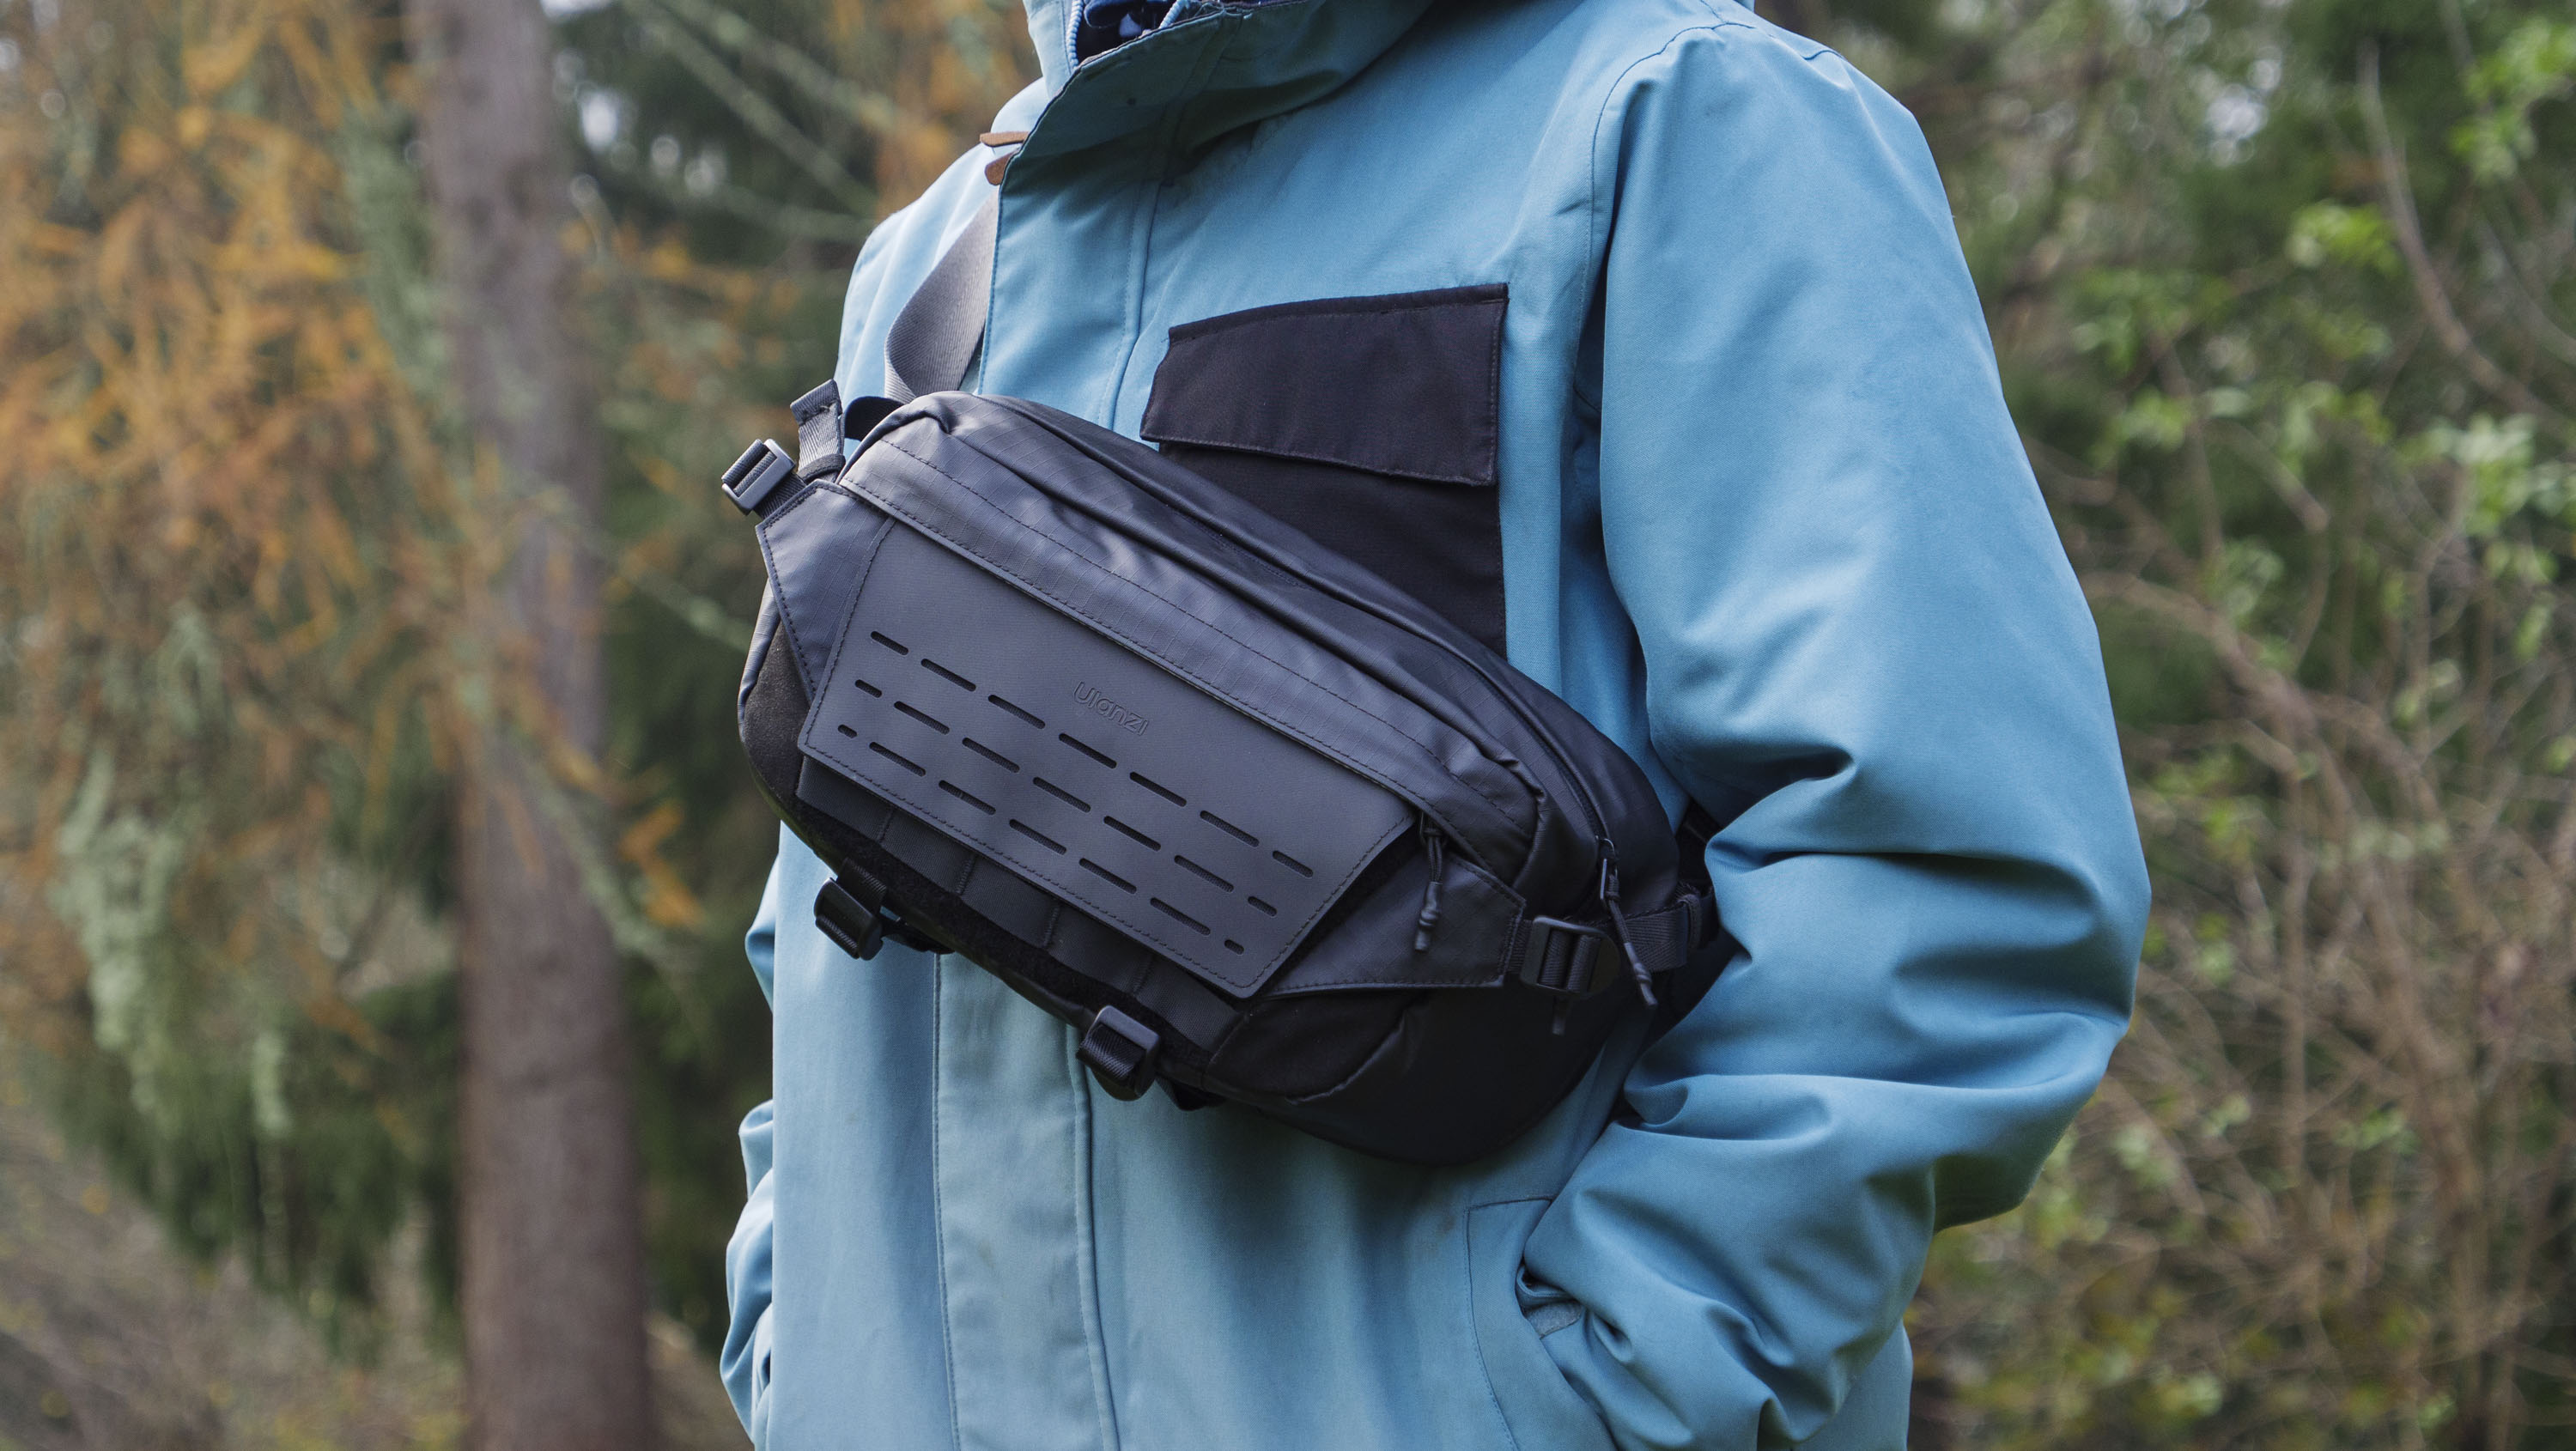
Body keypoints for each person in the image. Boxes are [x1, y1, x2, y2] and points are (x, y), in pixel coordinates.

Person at [720, 2, 2149, 1448]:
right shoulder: (941, 252)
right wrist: (795, 1344)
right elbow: (825, 925)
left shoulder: (1680, 118)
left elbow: (1940, 876)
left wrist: (1597, 1394)